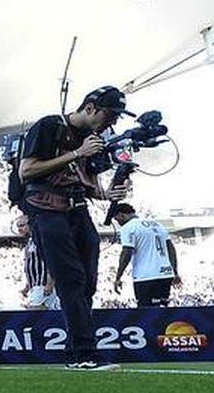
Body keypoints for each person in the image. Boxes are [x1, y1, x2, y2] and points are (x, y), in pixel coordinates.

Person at [19, 85, 132, 371]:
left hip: (78, 210)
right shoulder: (49, 126)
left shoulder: (95, 139)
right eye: (110, 114)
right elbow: (27, 171)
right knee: (71, 281)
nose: (113, 122)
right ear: (90, 108)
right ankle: (84, 353)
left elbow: (91, 185)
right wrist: (76, 153)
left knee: (87, 283)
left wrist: (110, 194)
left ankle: (77, 348)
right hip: (47, 211)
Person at [112, 204, 180, 307]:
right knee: (162, 310)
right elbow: (171, 249)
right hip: (165, 274)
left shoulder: (128, 228)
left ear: (122, 215)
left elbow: (126, 252)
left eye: (117, 220)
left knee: (146, 312)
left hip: (145, 276)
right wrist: (175, 272)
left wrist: (118, 277)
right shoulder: (157, 224)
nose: (118, 223)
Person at [18, 213, 57, 310]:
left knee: (33, 314)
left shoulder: (41, 240)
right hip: (35, 286)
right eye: (18, 226)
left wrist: (50, 282)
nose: (19, 229)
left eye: (22, 225)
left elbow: (50, 260)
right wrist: (27, 286)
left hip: (42, 284)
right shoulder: (30, 242)